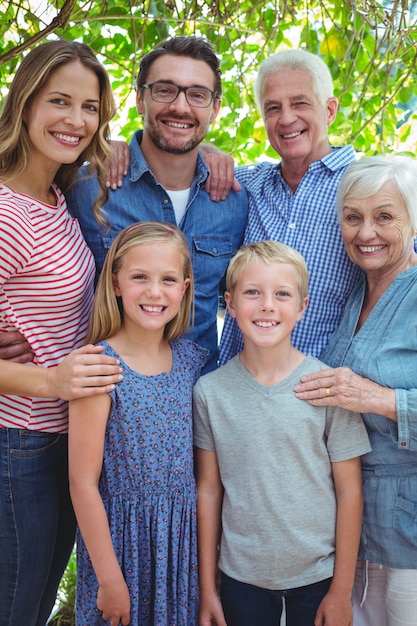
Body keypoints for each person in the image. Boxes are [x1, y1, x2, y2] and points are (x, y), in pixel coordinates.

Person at [0, 40, 123, 626]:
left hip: (57, 441)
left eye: (91, 107)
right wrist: (48, 379)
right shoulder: (5, 208)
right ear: (24, 103)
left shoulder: (56, 197)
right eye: (59, 101)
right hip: (15, 443)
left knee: (35, 607)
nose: (76, 120)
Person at [193, 240, 371, 626]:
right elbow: (208, 490)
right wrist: (208, 588)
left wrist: (341, 592)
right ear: (231, 302)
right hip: (241, 577)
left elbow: (350, 491)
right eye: (252, 292)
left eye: (282, 294)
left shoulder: (327, 387)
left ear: (303, 307)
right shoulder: (210, 392)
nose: (267, 305)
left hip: (318, 578)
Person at [65, 35, 248, 373]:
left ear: (215, 109)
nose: (180, 106)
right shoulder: (89, 186)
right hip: (109, 404)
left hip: (199, 407)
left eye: (197, 95)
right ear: (140, 98)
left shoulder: (234, 200)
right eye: (165, 90)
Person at [294, 155, 417, 626]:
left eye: (385, 216)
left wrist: (377, 398)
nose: (366, 232)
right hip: (354, 533)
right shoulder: (354, 296)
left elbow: (365, 394)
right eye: (353, 218)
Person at [69, 221, 208, 625]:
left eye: (168, 279)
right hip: (119, 548)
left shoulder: (190, 362)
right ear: (115, 284)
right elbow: (82, 483)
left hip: (179, 551)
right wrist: (110, 579)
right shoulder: (100, 368)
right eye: (139, 277)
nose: (154, 291)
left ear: (184, 289)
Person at [207, 49, 364, 363]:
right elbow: (177, 164)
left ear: (330, 110)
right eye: (273, 108)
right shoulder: (247, 185)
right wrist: (114, 150)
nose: (287, 118)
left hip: (319, 399)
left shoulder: (367, 188)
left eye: (300, 103)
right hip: (235, 393)